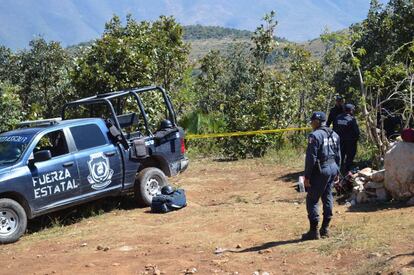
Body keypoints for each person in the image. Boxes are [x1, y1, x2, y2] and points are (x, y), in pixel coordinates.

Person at [302, 111, 341, 240]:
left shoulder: (314, 136)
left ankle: (314, 231)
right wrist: (337, 172)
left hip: (321, 170)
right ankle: (325, 229)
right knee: (327, 195)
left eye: (312, 121)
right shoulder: (334, 134)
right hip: (333, 168)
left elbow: (311, 158)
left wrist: (307, 176)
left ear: (317, 121)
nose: (311, 123)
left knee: (312, 199)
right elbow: (338, 155)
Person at [333, 104, 360, 172]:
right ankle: (347, 171)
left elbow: (334, 128)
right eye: (353, 110)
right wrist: (356, 139)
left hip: (339, 141)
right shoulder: (351, 119)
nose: (353, 111)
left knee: (340, 155)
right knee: (350, 156)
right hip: (350, 142)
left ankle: (338, 169)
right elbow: (356, 131)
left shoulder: (338, 117)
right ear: (350, 110)